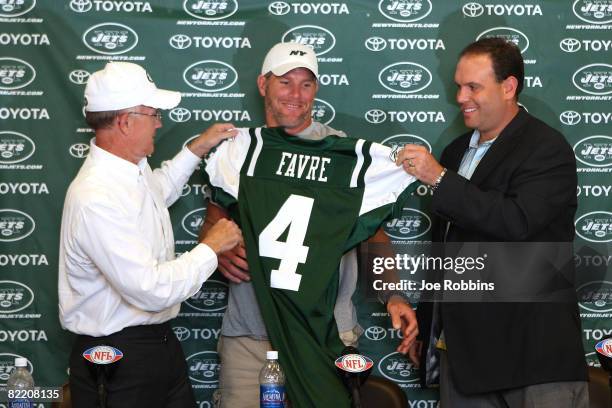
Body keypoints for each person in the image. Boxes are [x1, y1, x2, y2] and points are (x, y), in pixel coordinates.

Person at [203, 42, 418, 407]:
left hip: (326, 331)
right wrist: (216, 249)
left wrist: (393, 293)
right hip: (251, 335)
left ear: (316, 89)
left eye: (306, 84)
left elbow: (373, 232)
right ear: (262, 85)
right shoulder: (241, 151)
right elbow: (213, 220)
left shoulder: (344, 156)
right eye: (285, 82)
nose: (295, 94)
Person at [398, 38, 588, 407]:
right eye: (458, 86)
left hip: (532, 360)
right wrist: (428, 321)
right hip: (465, 360)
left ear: (509, 86)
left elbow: (517, 222)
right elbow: (448, 248)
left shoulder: (547, 148)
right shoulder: (455, 152)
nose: (461, 97)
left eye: (473, 87)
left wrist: (440, 178)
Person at [58, 61, 243, 407]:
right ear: (127, 122)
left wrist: (197, 149)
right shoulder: (96, 197)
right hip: (116, 359)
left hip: (156, 347)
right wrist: (211, 247)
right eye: (153, 114)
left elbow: (156, 192)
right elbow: (150, 289)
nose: (160, 122)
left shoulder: (129, 172)